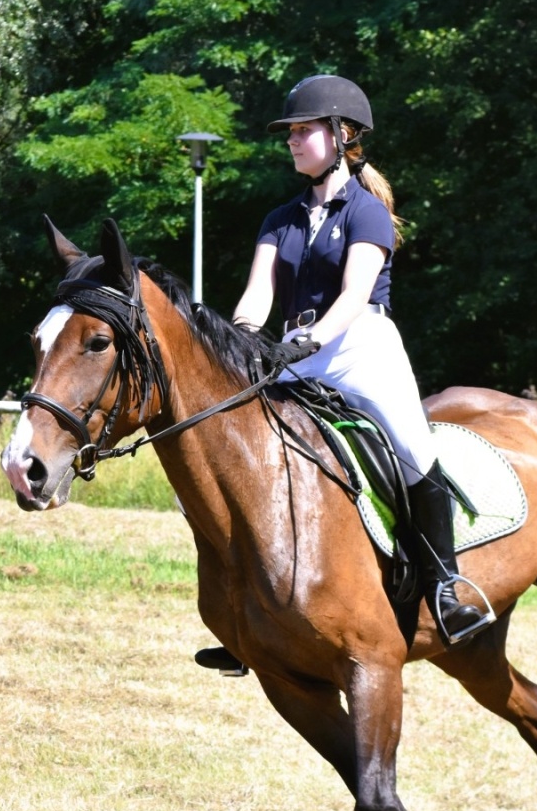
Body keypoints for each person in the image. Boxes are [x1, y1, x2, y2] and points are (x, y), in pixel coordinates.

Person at [196, 75, 489, 673]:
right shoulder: (279, 218)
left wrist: (307, 340)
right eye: (291, 133)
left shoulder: (368, 211)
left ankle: (446, 588)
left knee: (412, 448)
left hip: (359, 347)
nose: (293, 141)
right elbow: (256, 295)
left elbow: (356, 294)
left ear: (341, 135)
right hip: (291, 353)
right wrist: (242, 341)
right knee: (236, 454)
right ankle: (244, 611)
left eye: (304, 131)